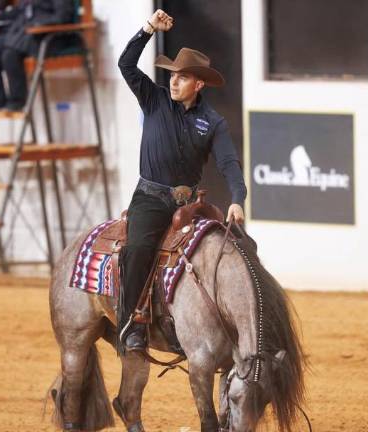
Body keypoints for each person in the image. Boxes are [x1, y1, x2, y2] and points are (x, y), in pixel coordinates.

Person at [117, 9, 247, 352]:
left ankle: (230, 328)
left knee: (235, 248)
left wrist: (237, 198)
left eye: (183, 77)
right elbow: (126, 65)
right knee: (139, 249)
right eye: (173, 74)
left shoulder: (212, 122)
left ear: (198, 84)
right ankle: (130, 325)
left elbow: (229, 164)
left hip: (189, 205)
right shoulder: (154, 98)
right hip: (149, 198)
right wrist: (147, 29)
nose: (174, 81)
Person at [0, 0, 75, 111]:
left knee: (9, 54)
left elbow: (63, 16)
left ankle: (17, 102)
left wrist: (36, 24)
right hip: (22, 31)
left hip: (45, 34)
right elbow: (20, 11)